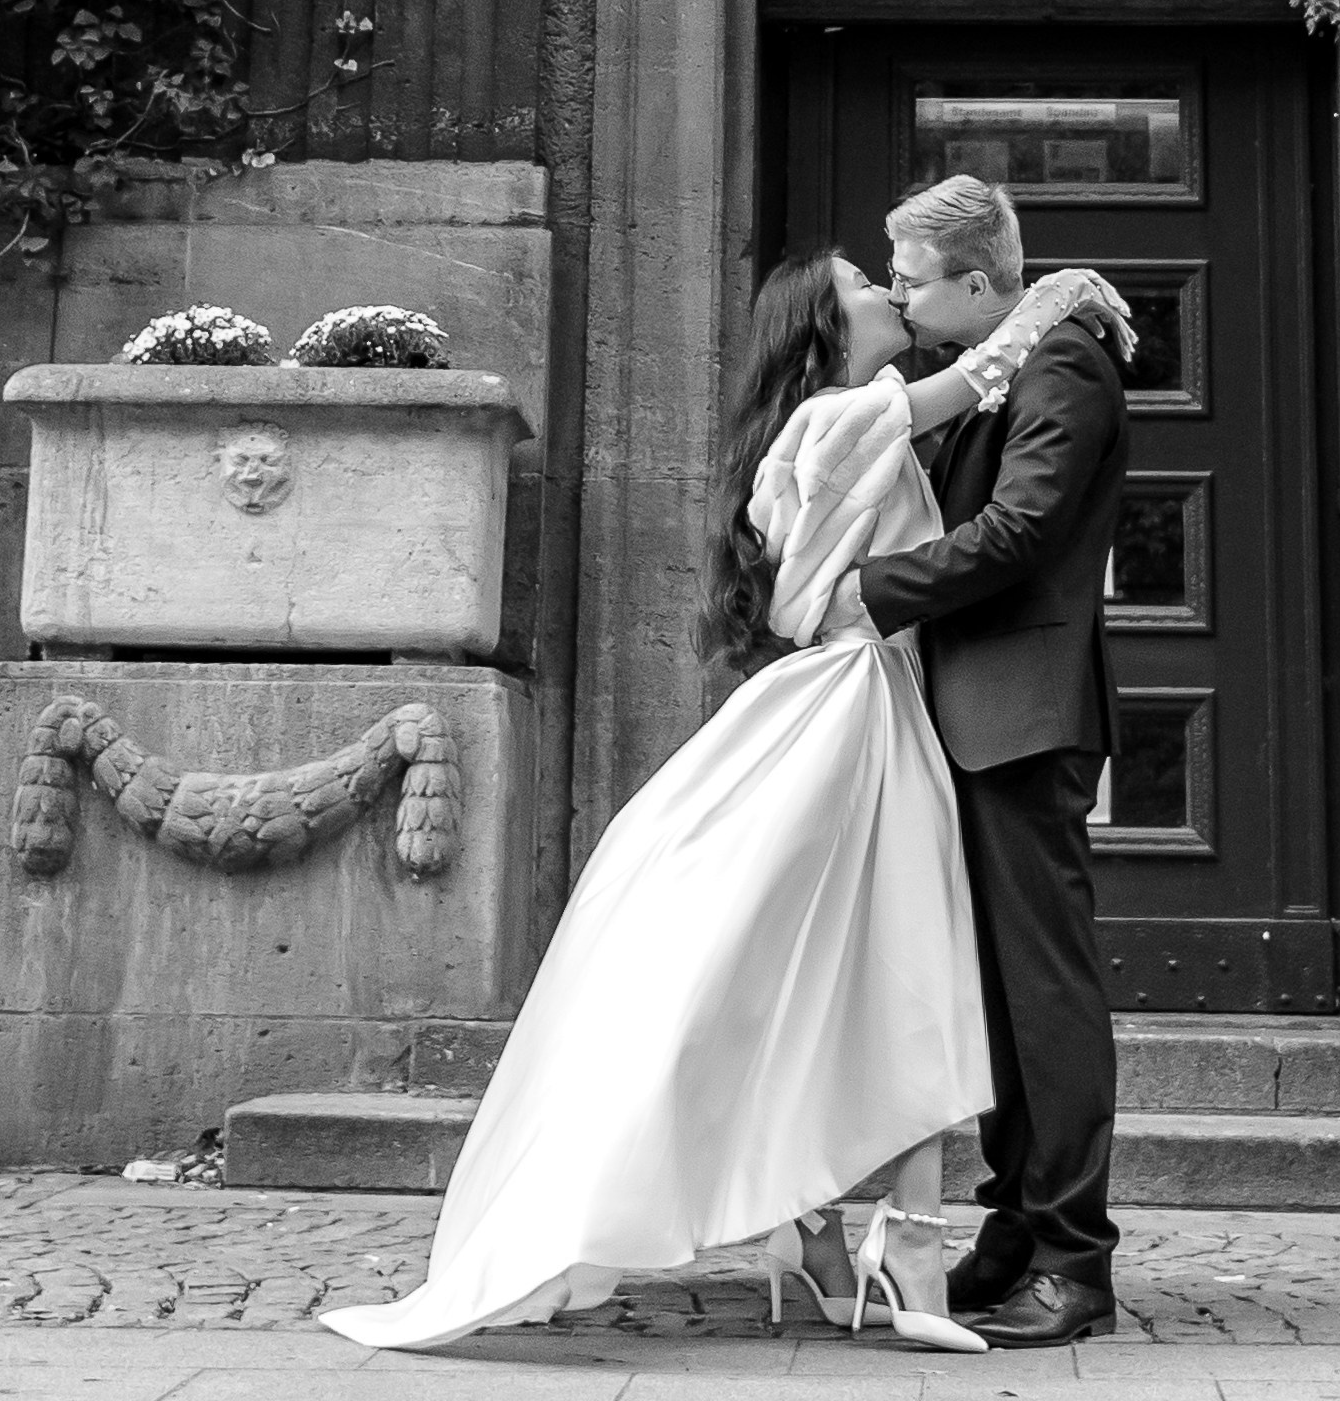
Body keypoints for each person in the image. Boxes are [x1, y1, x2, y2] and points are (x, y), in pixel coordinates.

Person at [319, 242, 1121, 1355]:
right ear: (825, 332)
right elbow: (974, 385)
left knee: (867, 967)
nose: (888, 289)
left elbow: (987, 472)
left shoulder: (865, 412)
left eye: (897, 273)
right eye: (866, 283)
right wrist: (1058, 293)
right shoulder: (849, 414)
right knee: (855, 965)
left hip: (894, 704)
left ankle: (866, 1233)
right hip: (857, 703)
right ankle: (898, 1238)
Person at [842, 173, 1132, 1350]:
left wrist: (864, 592)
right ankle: (1013, 1233)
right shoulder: (998, 361)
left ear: (974, 282)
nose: (900, 299)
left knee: (1045, 994)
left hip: (1021, 711)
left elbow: (1021, 531)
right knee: (1003, 1000)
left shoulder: (1065, 363)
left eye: (910, 280)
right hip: (971, 711)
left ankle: (1073, 1260)